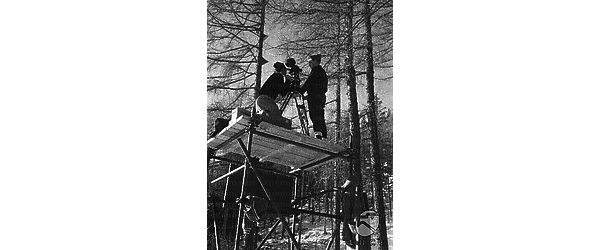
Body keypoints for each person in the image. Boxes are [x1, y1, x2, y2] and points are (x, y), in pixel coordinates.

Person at [298, 54, 328, 139]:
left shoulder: (316, 71)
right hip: (320, 97)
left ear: (315, 61)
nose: (309, 64)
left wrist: (300, 91)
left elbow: (309, 83)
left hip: (315, 97)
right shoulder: (322, 72)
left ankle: (318, 135)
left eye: (310, 62)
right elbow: (318, 87)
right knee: (320, 115)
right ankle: (323, 136)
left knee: (315, 114)